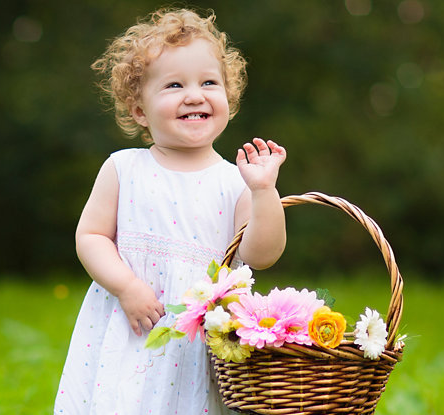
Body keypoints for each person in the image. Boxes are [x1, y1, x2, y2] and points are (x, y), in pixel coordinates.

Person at [55, 8, 287, 414]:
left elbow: (261, 255)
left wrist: (265, 191)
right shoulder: (124, 168)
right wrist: (126, 286)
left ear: (228, 101)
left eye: (209, 83)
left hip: (199, 339)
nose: (194, 95)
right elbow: (90, 237)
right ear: (140, 111)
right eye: (174, 84)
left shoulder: (237, 181)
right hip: (132, 326)